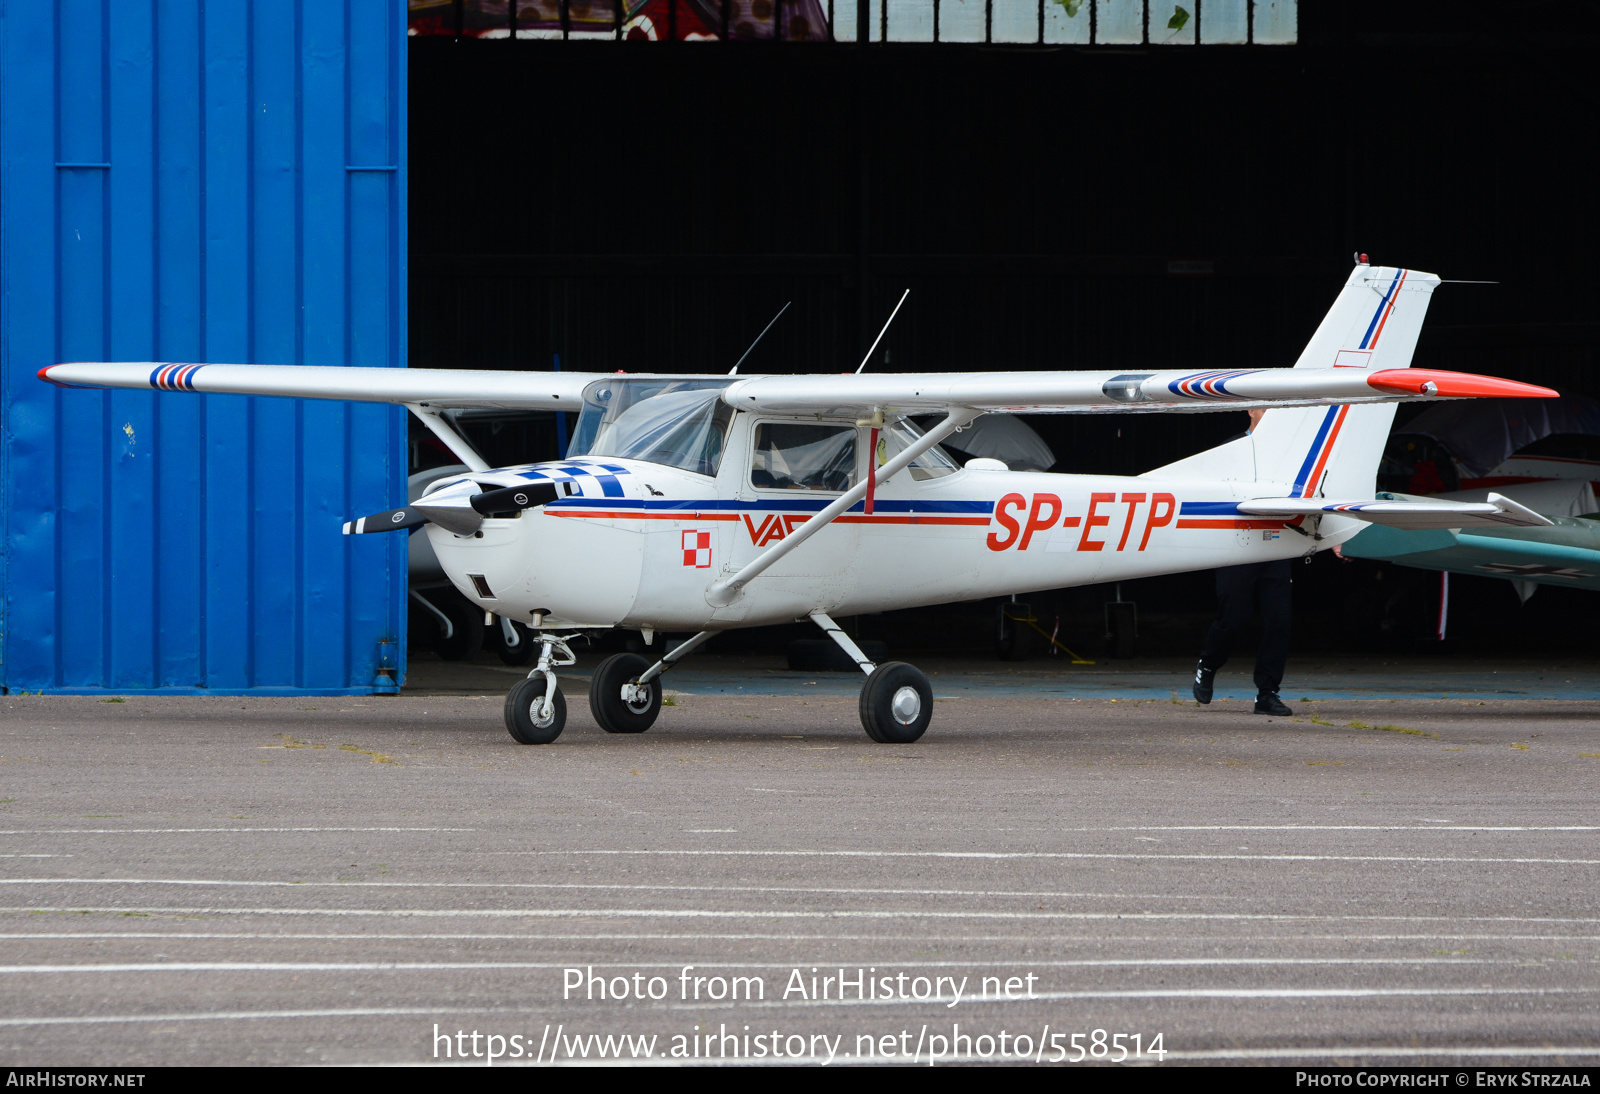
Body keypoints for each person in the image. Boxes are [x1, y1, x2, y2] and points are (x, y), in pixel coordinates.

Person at [1192, 408, 1293, 716]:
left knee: (1279, 620)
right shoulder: (1231, 449)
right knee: (1234, 617)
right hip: (1238, 544)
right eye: (1267, 409)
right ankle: (1208, 664)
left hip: (1277, 544)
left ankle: (1267, 692)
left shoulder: (1291, 452)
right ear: (1251, 410)